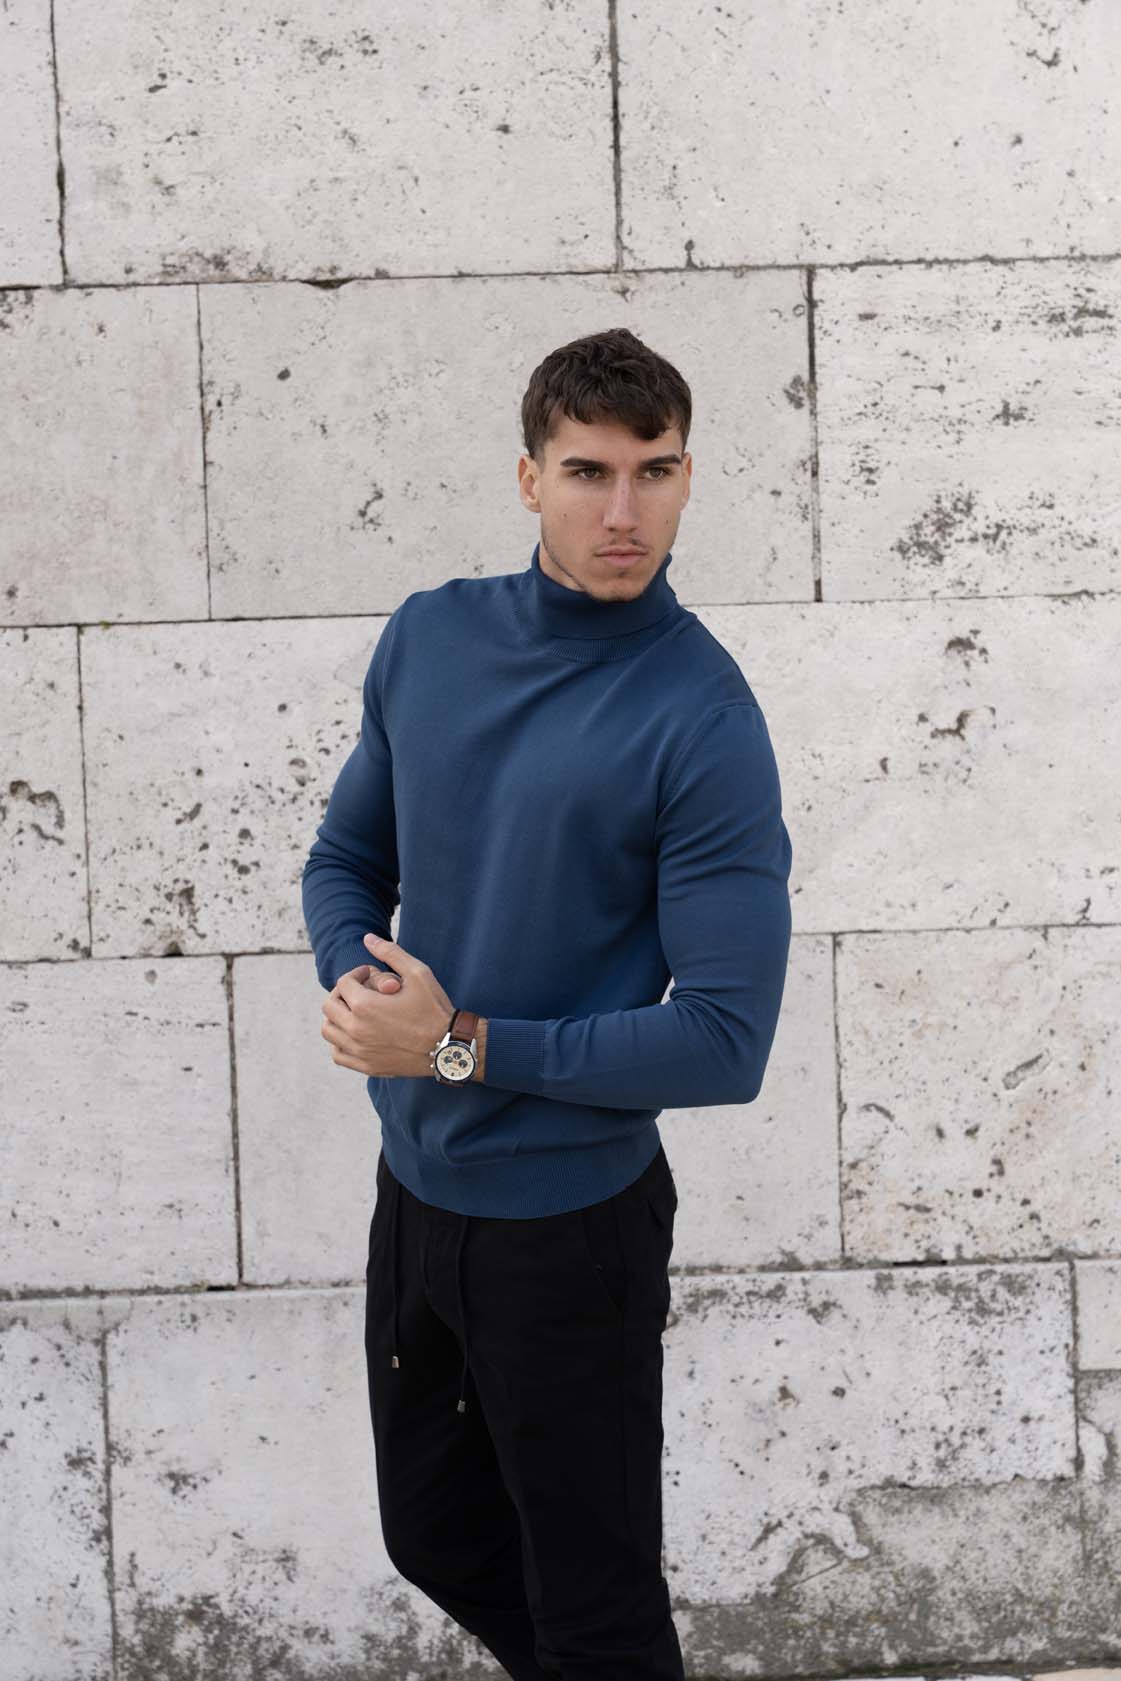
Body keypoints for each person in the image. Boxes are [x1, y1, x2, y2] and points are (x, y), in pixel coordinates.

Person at [301, 326, 793, 1680]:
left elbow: (725, 1041)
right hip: (416, 1192)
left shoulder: (702, 718)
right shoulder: (432, 636)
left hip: (572, 1230)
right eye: (588, 471)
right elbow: (345, 859)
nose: (622, 511)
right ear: (530, 478)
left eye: (655, 470)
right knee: (433, 1536)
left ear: (687, 477)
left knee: (596, 1611)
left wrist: (454, 1046)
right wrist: (366, 984)